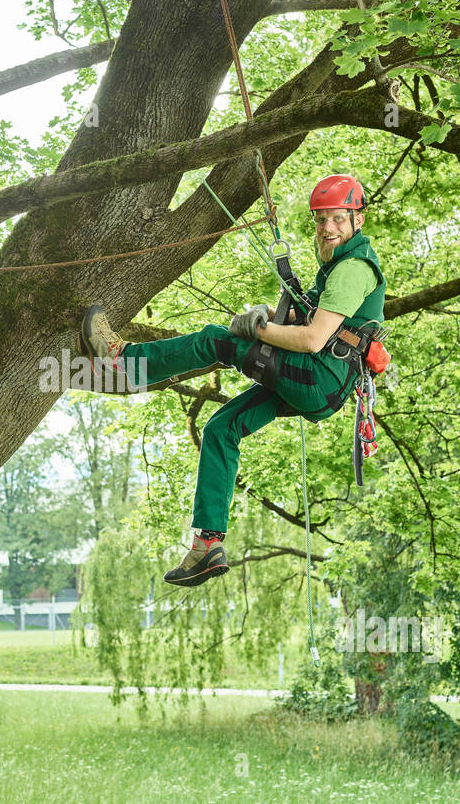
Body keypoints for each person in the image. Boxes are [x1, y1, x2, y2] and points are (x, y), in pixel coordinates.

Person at [78, 173, 385, 586]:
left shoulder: (353, 268)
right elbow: (313, 320)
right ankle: (208, 545)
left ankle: (123, 360)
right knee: (222, 426)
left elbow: (313, 340)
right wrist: (269, 316)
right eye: (321, 219)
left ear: (357, 220)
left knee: (216, 341)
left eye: (337, 219)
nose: (327, 228)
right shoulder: (336, 266)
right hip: (321, 387)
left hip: (316, 376)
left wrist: (254, 331)